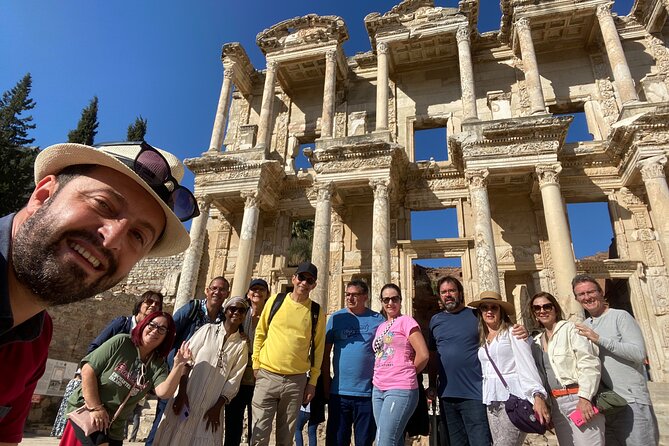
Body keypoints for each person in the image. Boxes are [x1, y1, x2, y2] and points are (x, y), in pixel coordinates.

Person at [0, 140, 196, 445]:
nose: (112, 239)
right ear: (42, 195)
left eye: (137, 235)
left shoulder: (36, 338)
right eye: (103, 204)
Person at [59, 311, 192, 446]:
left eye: (162, 329)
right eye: (152, 325)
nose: (155, 330)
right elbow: (88, 370)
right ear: (144, 325)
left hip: (114, 426)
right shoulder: (122, 342)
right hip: (89, 412)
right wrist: (96, 408)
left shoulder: (157, 365)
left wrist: (178, 365)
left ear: (167, 336)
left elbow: (164, 392)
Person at [427, 276, 527, 446]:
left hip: (475, 393)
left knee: (479, 441)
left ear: (460, 292)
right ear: (439, 296)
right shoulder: (435, 321)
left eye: (452, 290)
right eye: (443, 292)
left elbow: (498, 327)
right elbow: (433, 355)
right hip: (446, 394)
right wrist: (432, 385)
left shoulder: (475, 315)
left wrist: (519, 329)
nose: (448, 295)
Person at [572, 275, 659, 445]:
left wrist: (599, 339)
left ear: (601, 292)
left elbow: (638, 353)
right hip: (605, 404)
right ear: (576, 299)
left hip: (631, 400)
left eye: (590, 292)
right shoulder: (585, 325)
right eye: (581, 294)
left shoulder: (620, 316)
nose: (587, 297)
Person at [145, 276, 230, 446]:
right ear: (207, 290)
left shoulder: (223, 319)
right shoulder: (192, 309)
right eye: (214, 288)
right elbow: (169, 332)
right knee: (163, 419)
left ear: (227, 294)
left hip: (198, 379)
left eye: (221, 290)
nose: (217, 292)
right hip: (175, 372)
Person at [154, 296, 249, 446]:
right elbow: (187, 360)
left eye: (241, 310)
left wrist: (217, 407)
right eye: (233, 309)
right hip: (188, 395)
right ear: (225, 311)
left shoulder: (241, 345)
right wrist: (182, 393)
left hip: (212, 405)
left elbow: (234, 380)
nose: (236, 313)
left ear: (245, 315)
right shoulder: (207, 330)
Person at [250, 261, 326, 446]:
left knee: (286, 438)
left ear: (314, 285)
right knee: (259, 436)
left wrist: (312, 382)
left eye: (309, 280)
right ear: (294, 278)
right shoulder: (275, 301)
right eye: (301, 277)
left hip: (296, 381)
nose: (304, 283)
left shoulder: (316, 311)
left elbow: (318, 348)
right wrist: (256, 364)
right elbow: (260, 333)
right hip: (267, 375)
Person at [470, 291, 549, 445]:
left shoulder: (514, 332)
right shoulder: (483, 338)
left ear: (501, 311)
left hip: (513, 399)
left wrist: (537, 395)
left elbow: (527, 365)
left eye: (494, 307)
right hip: (491, 400)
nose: (489, 311)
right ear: (480, 312)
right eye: (485, 308)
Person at [530, 291, 604, 446]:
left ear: (555, 308)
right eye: (537, 308)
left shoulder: (571, 329)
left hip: (577, 397)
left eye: (547, 306)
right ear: (534, 314)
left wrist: (585, 398)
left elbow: (589, 362)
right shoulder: (537, 340)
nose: (542, 310)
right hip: (556, 404)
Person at [322, 279, 384, 446]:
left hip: (367, 394)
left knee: (364, 441)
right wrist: (326, 385)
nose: (350, 298)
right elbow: (325, 354)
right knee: (336, 441)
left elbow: (385, 354)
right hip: (339, 392)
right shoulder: (336, 318)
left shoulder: (378, 320)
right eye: (347, 294)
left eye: (355, 295)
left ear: (365, 296)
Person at [372, 284, 429, 446]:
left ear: (400, 300)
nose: (390, 303)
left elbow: (423, 354)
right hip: (378, 388)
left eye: (394, 298)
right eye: (386, 299)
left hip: (400, 387)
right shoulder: (381, 327)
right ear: (381, 302)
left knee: (384, 441)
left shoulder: (407, 321)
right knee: (393, 439)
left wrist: (407, 373)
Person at [224, 278, 270, 446]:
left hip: (262, 377)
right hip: (238, 374)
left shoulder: (272, 316)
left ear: (267, 294)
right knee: (233, 423)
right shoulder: (240, 313)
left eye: (261, 290)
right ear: (248, 293)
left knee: (257, 426)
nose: (257, 292)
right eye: (254, 289)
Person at [88, 291, 164, 353]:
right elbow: (96, 345)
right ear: (140, 304)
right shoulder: (121, 323)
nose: (153, 305)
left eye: (157, 304)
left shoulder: (151, 334)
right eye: (149, 301)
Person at [51, 371, 82, 438]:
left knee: (62, 416)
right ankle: (63, 433)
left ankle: (58, 432)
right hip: (72, 403)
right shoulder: (80, 383)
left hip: (65, 402)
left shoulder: (71, 381)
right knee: (67, 417)